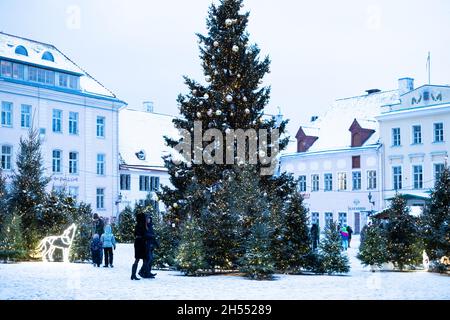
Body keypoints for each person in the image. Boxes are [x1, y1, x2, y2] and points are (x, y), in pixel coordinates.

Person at [139, 214, 159, 278]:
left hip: (150, 245)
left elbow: (153, 236)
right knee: (148, 259)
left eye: (150, 218)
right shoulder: (143, 227)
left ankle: (147, 272)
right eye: (147, 219)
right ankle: (143, 272)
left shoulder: (150, 226)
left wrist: (156, 244)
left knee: (150, 260)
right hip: (145, 245)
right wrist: (151, 236)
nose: (149, 220)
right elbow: (144, 235)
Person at [131, 212, 147, 280]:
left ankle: (133, 274)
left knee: (138, 259)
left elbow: (135, 234)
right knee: (143, 259)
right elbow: (144, 234)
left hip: (137, 242)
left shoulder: (137, 225)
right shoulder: (142, 225)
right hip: (141, 243)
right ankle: (140, 272)